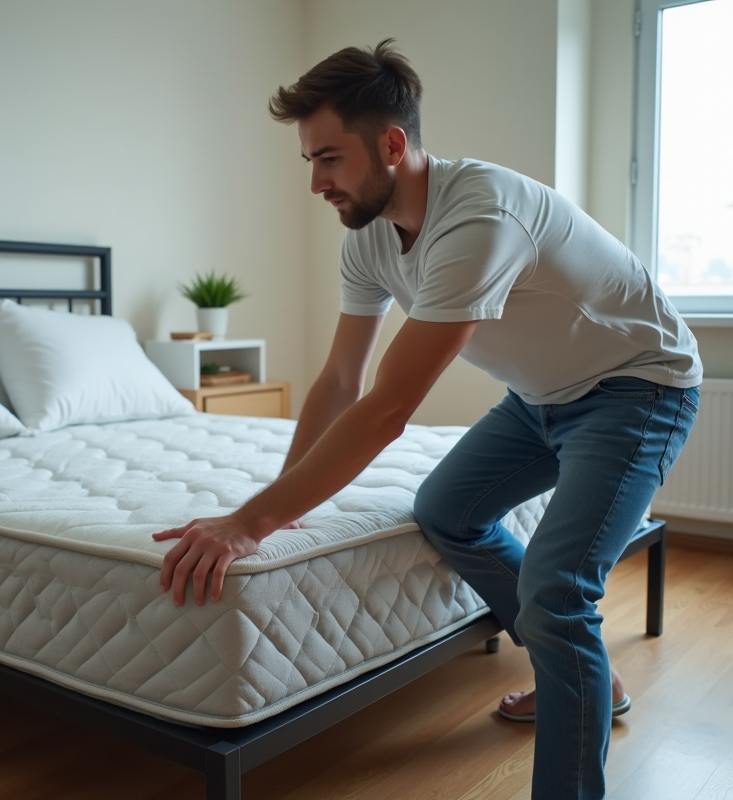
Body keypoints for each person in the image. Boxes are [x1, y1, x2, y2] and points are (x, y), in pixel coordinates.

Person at [153, 39, 701, 800]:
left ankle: (568, 684)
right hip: (541, 399)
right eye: (309, 161)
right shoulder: (369, 237)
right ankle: (580, 672)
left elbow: (385, 410)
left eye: (330, 159)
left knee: (557, 584)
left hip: (638, 389)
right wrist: (278, 505)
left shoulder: (479, 217)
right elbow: (341, 378)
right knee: (447, 511)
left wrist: (246, 523)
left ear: (392, 144)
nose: (315, 183)